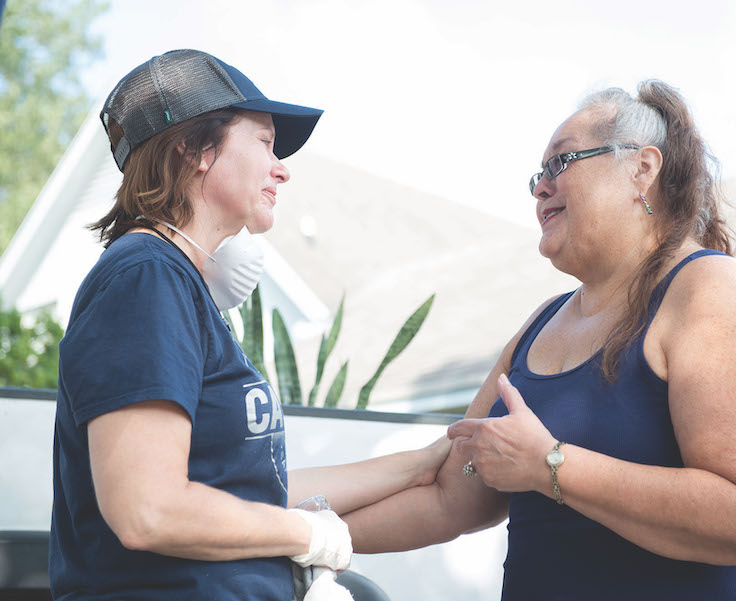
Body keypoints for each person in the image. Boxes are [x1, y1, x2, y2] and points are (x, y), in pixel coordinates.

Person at [342, 80, 736, 600]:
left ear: (642, 169)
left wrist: (550, 465)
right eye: (538, 175)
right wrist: (296, 535)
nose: (541, 187)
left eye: (561, 163)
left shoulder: (713, 291)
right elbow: (453, 497)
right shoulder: (542, 323)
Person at [49, 49, 449, 601]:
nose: (281, 167)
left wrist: (421, 464)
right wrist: (306, 534)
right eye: (264, 142)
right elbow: (149, 510)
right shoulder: (145, 280)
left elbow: (254, 492)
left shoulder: (177, 285)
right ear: (196, 151)